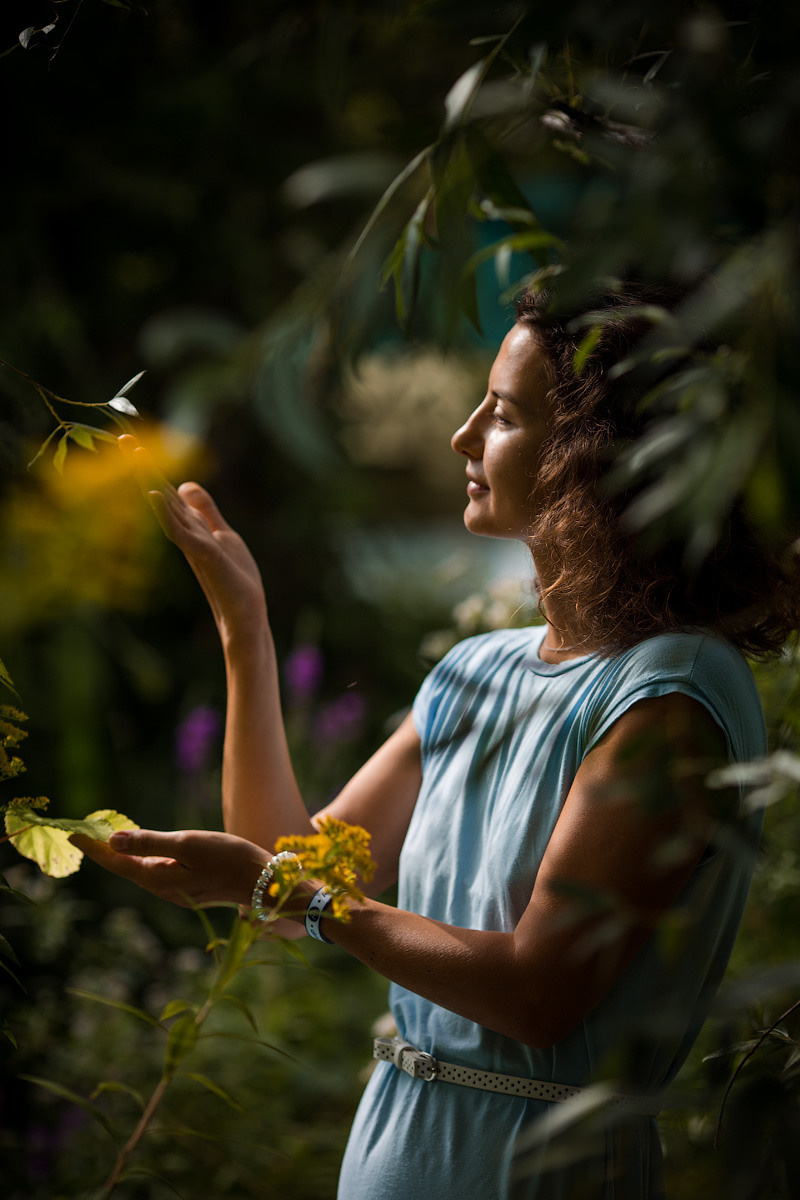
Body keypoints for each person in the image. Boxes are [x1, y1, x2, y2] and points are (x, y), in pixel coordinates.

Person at [74, 283, 799, 1199]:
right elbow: (290, 865)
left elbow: (538, 992)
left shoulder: (671, 689)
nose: (462, 438)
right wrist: (243, 625)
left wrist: (285, 891)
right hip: (394, 1145)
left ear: (596, 458)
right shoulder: (472, 673)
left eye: (499, 414)